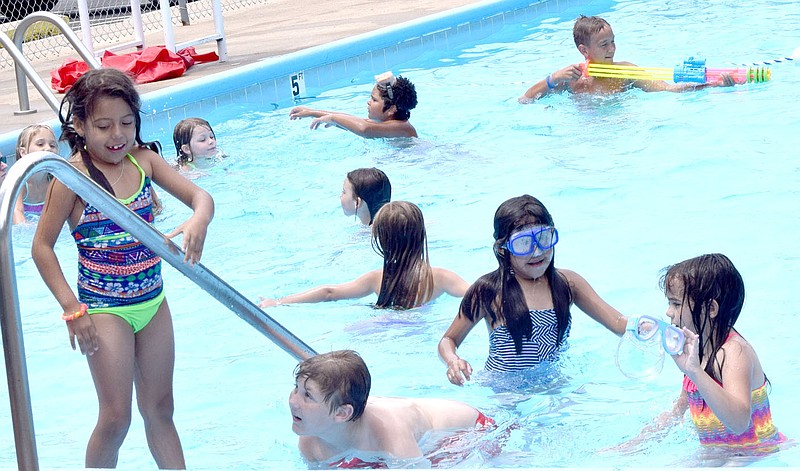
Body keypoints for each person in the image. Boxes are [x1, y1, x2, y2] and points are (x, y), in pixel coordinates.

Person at [31, 68, 215, 469]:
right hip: (103, 309)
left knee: (161, 409)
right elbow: (42, 248)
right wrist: (72, 307)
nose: (117, 135)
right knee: (116, 418)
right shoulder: (71, 179)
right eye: (103, 125)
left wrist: (200, 218)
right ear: (79, 125)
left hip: (152, 302)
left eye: (126, 123)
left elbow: (200, 196)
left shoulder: (144, 160)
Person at [439, 195, 628, 385]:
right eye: (523, 243)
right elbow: (448, 339)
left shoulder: (568, 284)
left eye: (543, 238)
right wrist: (453, 361)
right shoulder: (488, 291)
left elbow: (618, 323)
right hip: (503, 389)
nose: (536, 251)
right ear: (503, 248)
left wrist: (643, 326)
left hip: (553, 383)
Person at [618, 254, 785, 451]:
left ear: (711, 308)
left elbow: (739, 423)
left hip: (756, 452)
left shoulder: (735, 352)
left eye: (676, 304)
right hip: (721, 454)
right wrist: (631, 446)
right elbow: (677, 411)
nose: (668, 312)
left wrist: (695, 372)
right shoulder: (698, 350)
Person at [290, 350, 495, 467]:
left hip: (469, 434)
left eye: (307, 395)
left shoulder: (388, 432)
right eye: (296, 389)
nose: (293, 401)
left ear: (342, 413)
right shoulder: (310, 439)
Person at [259, 201, 468, 309]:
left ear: (381, 241)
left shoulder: (376, 279)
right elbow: (477, 293)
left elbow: (328, 292)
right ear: (421, 234)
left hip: (381, 324)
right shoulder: (440, 277)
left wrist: (279, 302)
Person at [518, 15, 734, 103]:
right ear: (584, 50)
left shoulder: (626, 72)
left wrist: (711, 85)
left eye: (613, 41)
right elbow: (525, 100)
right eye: (604, 44)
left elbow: (666, 89)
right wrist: (552, 79)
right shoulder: (571, 78)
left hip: (619, 128)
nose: (612, 48)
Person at [289, 71, 418, 138]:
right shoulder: (386, 124)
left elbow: (364, 129)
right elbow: (355, 122)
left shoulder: (403, 128)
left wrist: (333, 119)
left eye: (374, 100)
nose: (369, 102)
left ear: (391, 109)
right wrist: (312, 112)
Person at [12, 124, 59, 224]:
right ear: (23, 152)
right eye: (40, 144)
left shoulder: (55, 181)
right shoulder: (20, 184)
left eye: (52, 145)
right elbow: (17, 212)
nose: (48, 148)